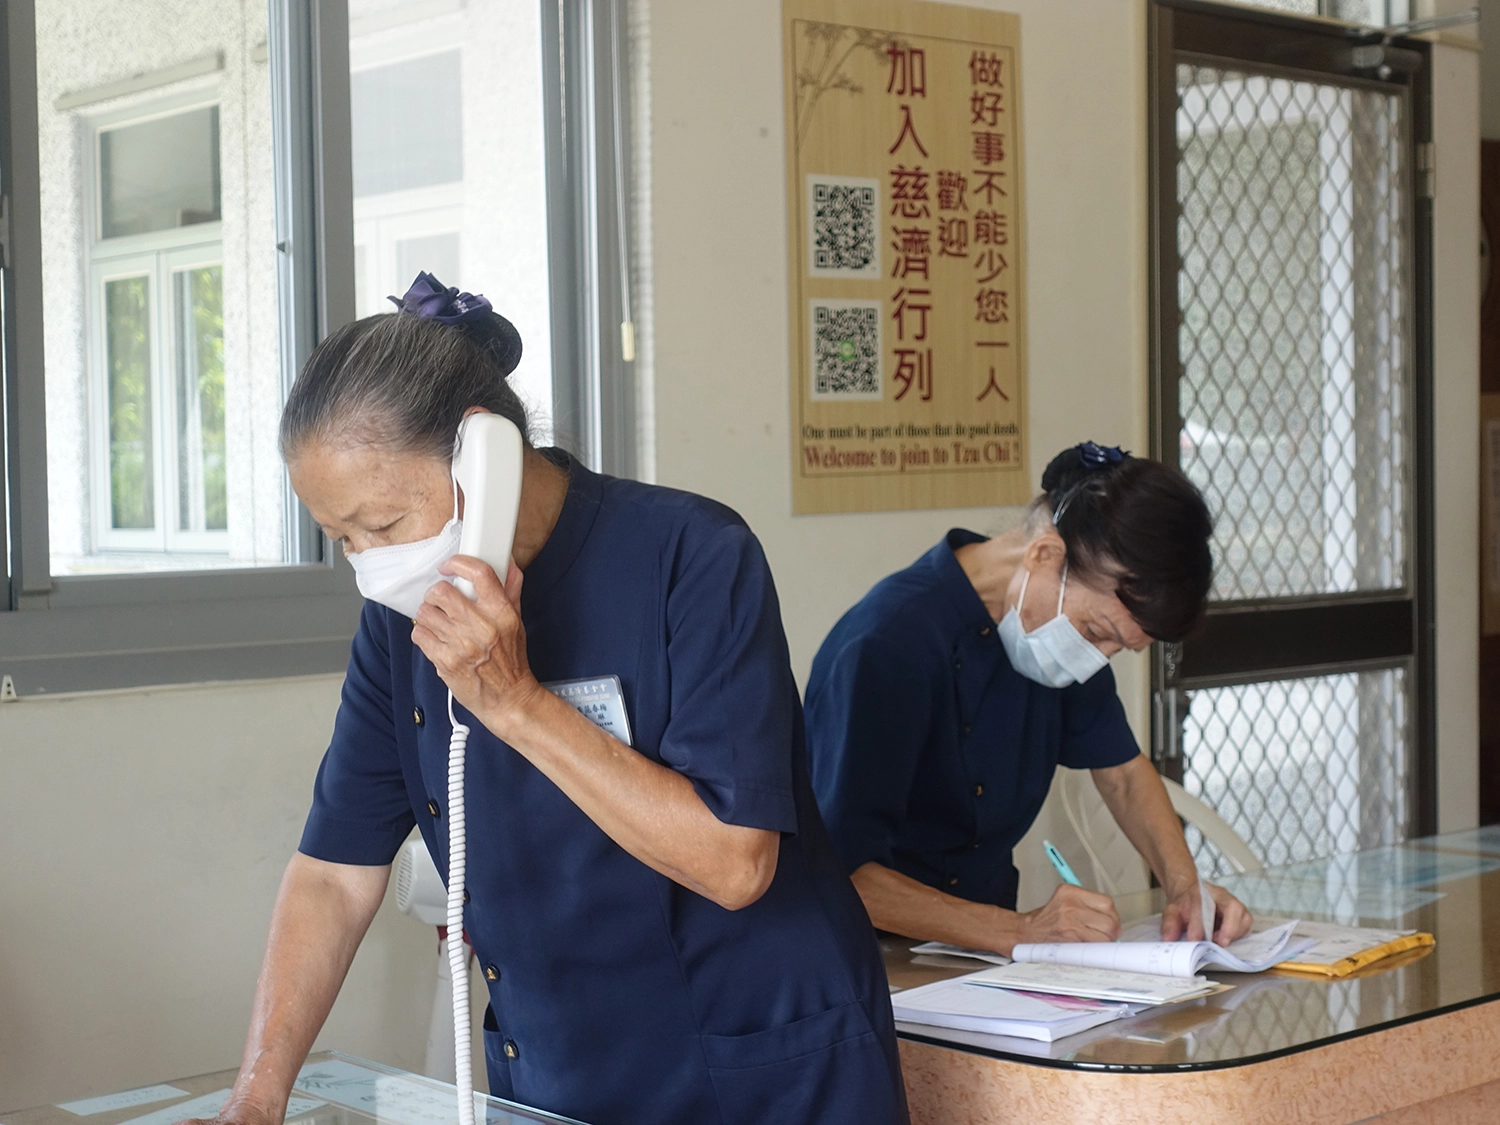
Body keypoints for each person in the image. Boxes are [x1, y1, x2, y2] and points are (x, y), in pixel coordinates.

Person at [190, 275, 908, 1125]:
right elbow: (333, 874)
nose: (368, 563)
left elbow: (734, 863)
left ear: (480, 456)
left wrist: (519, 704)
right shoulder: (401, 622)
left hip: (759, 1073)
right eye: (342, 539)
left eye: (380, 527)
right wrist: (257, 1094)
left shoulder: (692, 556)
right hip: (560, 1076)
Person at [805, 441, 1253, 956]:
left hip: (980, 959)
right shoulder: (888, 644)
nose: (1097, 657)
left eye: (1119, 648)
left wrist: (1184, 888)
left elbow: (1124, 775)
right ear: (1044, 555)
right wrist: (1019, 931)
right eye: (1097, 630)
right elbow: (842, 872)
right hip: (861, 959)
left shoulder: (1054, 643)